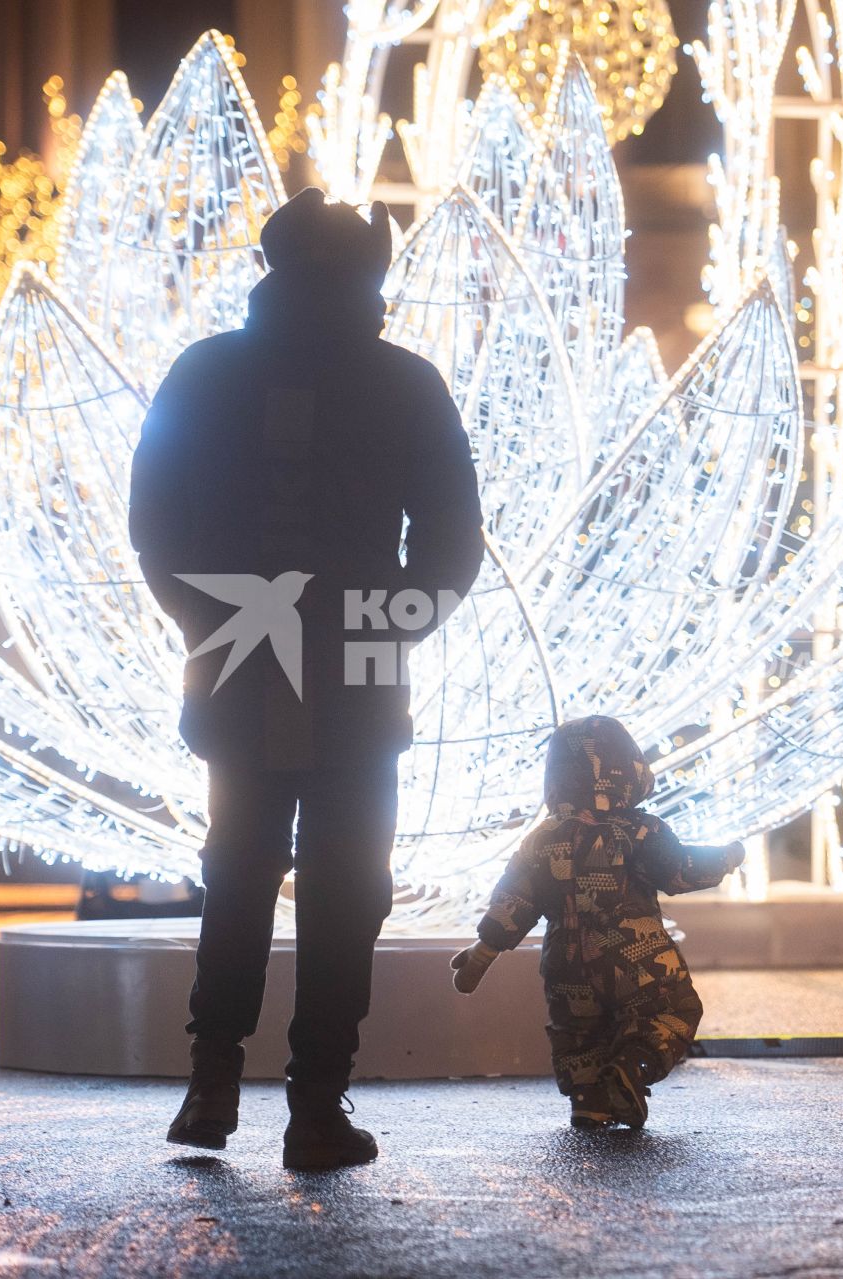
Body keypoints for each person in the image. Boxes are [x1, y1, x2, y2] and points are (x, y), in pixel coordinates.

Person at [130, 189, 484, 1169]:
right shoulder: (405, 383)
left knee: (237, 864)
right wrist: (391, 623)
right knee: (345, 882)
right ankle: (315, 1103)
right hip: (356, 647)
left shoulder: (206, 372)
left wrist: (210, 616)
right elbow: (453, 543)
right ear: (370, 281)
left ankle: (214, 1080)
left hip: (243, 639)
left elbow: (157, 520)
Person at [451, 716, 745, 1129]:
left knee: (579, 1033)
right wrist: (727, 858)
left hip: (565, 961)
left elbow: (515, 896)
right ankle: (632, 1067)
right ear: (629, 771)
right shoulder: (640, 830)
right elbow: (680, 870)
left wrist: (485, 949)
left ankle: (589, 1100)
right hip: (634, 956)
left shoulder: (543, 837)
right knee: (671, 1009)